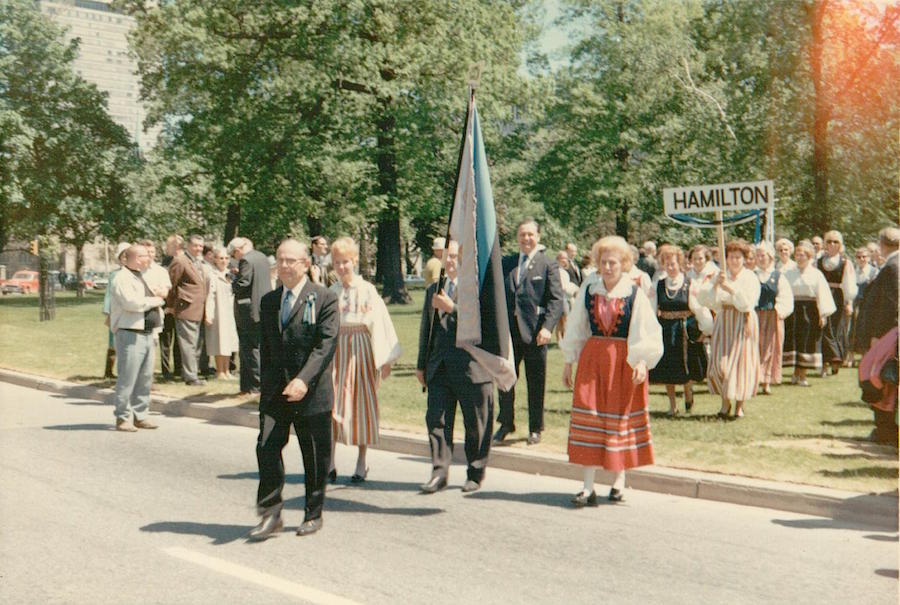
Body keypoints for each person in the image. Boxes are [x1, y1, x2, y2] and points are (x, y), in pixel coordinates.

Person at [561, 235, 663, 504]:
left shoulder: (634, 292)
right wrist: (569, 361)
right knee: (591, 417)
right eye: (603, 262)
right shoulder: (589, 289)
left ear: (624, 264)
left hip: (623, 361)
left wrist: (641, 361)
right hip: (593, 361)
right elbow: (577, 325)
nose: (607, 267)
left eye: (613, 263)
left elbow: (646, 329)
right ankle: (587, 487)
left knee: (619, 418)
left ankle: (619, 482)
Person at [249, 239, 339, 540]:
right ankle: (270, 513)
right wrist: (264, 388)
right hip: (277, 391)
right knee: (266, 447)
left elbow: (325, 345)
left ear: (305, 264)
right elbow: (266, 347)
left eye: (291, 260)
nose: (285, 266)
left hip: (311, 392)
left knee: (314, 455)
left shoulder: (324, 298)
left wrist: (304, 380)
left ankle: (313, 513)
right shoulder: (269, 301)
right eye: (281, 260)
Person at [416, 240, 495, 493]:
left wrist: (453, 308)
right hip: (440, 366)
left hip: (472, 366)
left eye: (454, 256)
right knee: (436, 420)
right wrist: (421, 364)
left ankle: (475, 472)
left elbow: (484, 324)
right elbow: (426, 329)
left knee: (476, 423)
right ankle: (439, 472)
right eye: (445, 257)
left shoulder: (478, 288)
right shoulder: (434, 289)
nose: (449, 261)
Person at [327, 236, 401, 483]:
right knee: (332, 403)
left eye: (345, 262)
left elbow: (380, 324)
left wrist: (386, 360)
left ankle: (362, 460)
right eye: (337, 262)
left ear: (355, 261)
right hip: (337, 351)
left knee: (361, 404)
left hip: (360, 351)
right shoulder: (332, 292)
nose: (341, 267)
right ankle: (330, 461)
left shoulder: (367, 290)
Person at [493, 219, 564, 446]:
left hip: (535, 334)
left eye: (530, 234)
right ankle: (506, 423)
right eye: (522, 234)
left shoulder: (548, 264)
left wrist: (547, 328)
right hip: (509, 334)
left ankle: (535, 428)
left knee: (536, 382)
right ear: (517, 237)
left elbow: (556, 300)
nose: (526, 239)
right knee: (505, 380)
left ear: (538, 237)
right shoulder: (507, 263)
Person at [697, 239, 761, 419]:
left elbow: (747, 303)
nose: (734, 261)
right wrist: (716, 284)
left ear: (744, 259)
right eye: (731, 257)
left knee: (741, 364)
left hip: (743, 321)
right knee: (721, 364)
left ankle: (738, 406)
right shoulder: (719, 275)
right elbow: (704, 299)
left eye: (738, 257)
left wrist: (730, 288)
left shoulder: (750, 277)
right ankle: (725, 403)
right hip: (724, 320)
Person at [109, 245, 167, 432]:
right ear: (134, 258)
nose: (148, 258)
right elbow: (131, 303)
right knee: (128, 377)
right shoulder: (122, 278)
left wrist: (158, 296)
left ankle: (140, 415)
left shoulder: (142, 276)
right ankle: (122, 417)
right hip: (130, 333)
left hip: (147, 332)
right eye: (144, 256)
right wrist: (156, 301)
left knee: (145, 378)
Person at [649, 244, 712, 415]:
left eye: (673, 264)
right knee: (668, 367)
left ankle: (688, 393)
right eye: (667, 264)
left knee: (686, 365)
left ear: (680, 264)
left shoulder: (690, 284)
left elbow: (699, 308)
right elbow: (651, 309)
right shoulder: (658, 285)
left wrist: (706, 329)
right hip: (666, 330)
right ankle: (672, 405)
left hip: (685, 330)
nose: (670, 267)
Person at [854, 227, 899, 444]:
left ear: (882, 244)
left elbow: (892, 305)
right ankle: (885, 429)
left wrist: (879, 335)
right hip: (890, 332)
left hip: (888, 334)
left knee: (879, 378)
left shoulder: (893, 266)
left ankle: (885, 430)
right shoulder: (892, 264)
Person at [783, 240, 836, 386]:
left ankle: (803, 375)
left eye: (803, 255)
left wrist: (823, 314)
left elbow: (822, 294)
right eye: (797, 255)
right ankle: (795, 373)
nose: (799, 258)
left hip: (810, 311)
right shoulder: (788, 273)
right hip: (793, 310)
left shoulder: (816, 274)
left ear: (809, 256)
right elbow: (783, 292)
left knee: (807, 341)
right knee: (794, 341)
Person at [228, 237, 272, 396]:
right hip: (262, 309)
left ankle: (254, 386)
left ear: (238, 250)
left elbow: (243, 283)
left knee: (249, 349)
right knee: (256, 348)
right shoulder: (262, 257)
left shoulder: (246, 260)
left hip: (248, 311)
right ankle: (248, 386)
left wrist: (232, 280)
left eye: (234, 255)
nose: (235, 258)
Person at [167, 234, 208, 386]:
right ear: (188, 246)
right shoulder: (180, 261)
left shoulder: (199, 262)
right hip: (186, 308)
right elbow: (171, 285)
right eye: (195, 245)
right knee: (188, 344)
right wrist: (171, 305)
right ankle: (191, 377)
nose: (198, 249)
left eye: (201, 246)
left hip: (199, 309)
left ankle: (191, 373)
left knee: (196, 344)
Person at [754, 243, 794, 395]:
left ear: (770, 257)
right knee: (754, 347)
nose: (760, 258)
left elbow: (785, 296)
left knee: (770, 348)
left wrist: (780, 310)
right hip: (755, 316)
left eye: (763, 255)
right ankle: (754, 379)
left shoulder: (778, 276)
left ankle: (767, 381)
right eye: (758, 255)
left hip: (772, 316)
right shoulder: (752, 275)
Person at [817, 231, 857, 376]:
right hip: (822, 296)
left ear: (840, 245)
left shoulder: (845, 262)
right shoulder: (818, 261)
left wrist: (849, 302)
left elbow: (849, 284)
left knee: (836, 329)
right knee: (823, 328)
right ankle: (823, 363)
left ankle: (835, 360)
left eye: (835, 242)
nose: (832, 244)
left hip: (838, 297)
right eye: (829, 241)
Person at [204, 245, 240, 380]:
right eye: (220, 258)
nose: (223, 261)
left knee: (228, 341)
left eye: (226, 258)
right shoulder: (212, 275)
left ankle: (227, 370)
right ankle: (220, 371)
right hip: (217, 311)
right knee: (218, 340)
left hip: (229, 311)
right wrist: (209, 314)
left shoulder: (231, 274)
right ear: (215, 259)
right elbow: (209, 295)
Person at [102, 242, 131, 379]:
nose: (125, 259)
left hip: (128, 311)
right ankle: (109, 370)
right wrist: (108, 312)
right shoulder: (114, 275)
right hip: (116, 312)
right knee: (113, 341)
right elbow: (109, 294)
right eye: (123, 256)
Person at [847, 246, 877, 366]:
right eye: (859, 257)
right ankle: (850, 356)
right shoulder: (853, 271)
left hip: (868, 304)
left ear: (868, 258)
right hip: (855, 302)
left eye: (864, 257)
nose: (861, 259)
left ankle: (865, 357)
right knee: (852, 329)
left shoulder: (874, 272)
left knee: (866, 329)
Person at [159, 235, 184, 381]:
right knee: (166, 340)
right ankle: (165, 370)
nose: (174, 248)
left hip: (180, 306)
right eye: (171, 246)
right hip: (167, 307)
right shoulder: (165, 263)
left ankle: (179, 369)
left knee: (179, 341)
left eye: (177, 245)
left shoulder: (184, 261)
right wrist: (168, 306)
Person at [555, 250, 580, 341]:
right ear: (558, 259)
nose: (565, 260)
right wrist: (575, 289)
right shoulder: (558, 271)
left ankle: (560, 340)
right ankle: (564, 340)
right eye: (563, 258)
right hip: (561, 297)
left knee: (562, 321)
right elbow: (563, 286)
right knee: (565, 320)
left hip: (565, 297)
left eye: (566, 258)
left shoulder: (563, 271)